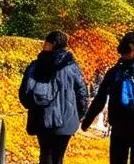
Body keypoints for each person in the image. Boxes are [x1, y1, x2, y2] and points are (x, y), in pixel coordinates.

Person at [81, 31, 134, 164]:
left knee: (118, 160)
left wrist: (88, 120)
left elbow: (100, 98)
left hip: (119, 124)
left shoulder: (114, 72)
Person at [18, 29, 90, 164]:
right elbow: (82, 92)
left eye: (46, 41)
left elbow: (24, 92)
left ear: (52, 44)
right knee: (58, 156)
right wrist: (79, 114)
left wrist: (32, 106)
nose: (43, 44)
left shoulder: (36, 65)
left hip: (41, 117)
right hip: (66, 119)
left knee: (45, 154)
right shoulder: (72, 67)